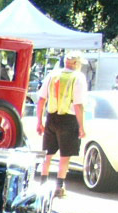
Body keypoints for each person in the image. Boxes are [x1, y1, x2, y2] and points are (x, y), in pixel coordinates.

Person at [35, 51, 88, 197]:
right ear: (76, 64)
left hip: (51, 117)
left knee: (48, 154)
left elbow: (41, 99)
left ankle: (43, 183)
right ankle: (59, 186)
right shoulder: (78, 78)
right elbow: (78, 105)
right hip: (69, 119)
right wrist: (81, 126)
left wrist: (39, 121)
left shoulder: (53, 75)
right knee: (65, 156)